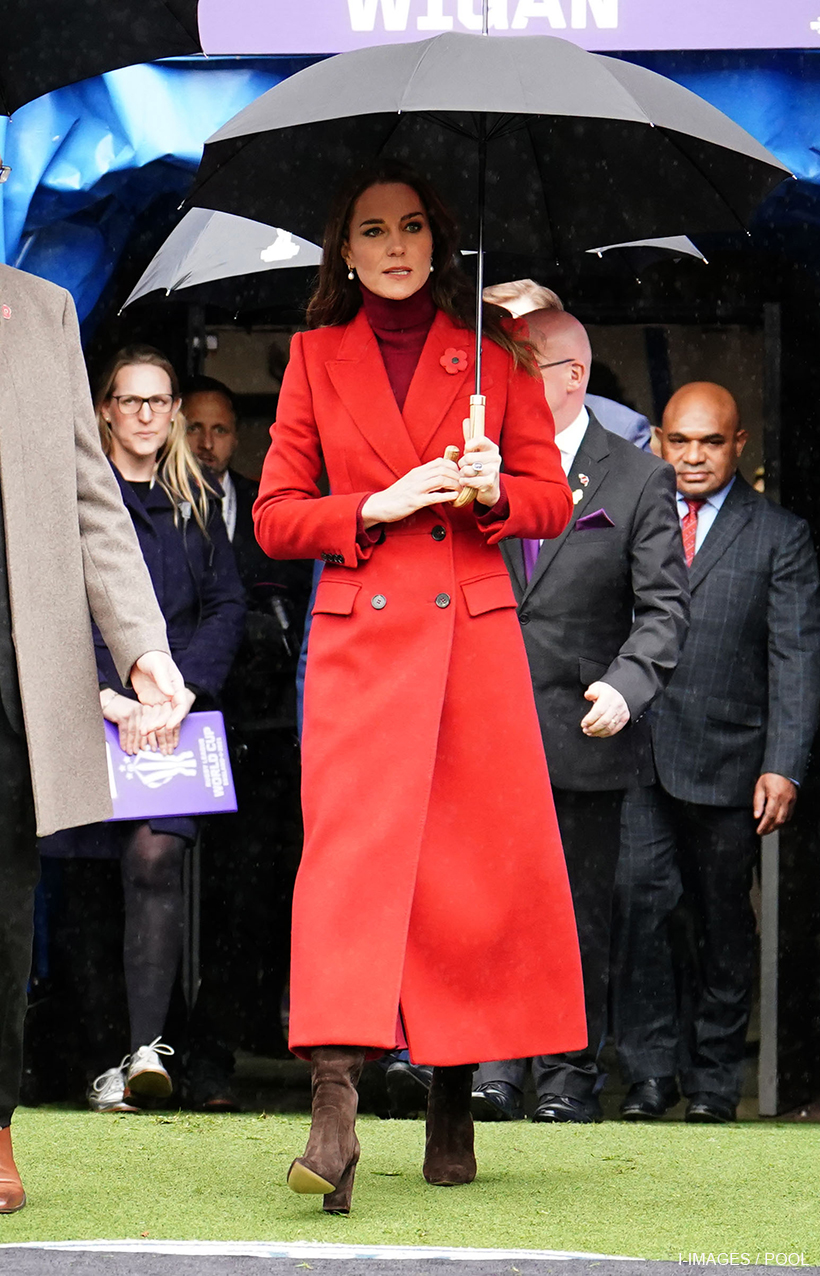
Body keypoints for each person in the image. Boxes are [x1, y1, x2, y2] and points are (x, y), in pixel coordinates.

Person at [252, 159, 586, 1213]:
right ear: (344, 253)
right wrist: (380, 499)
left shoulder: (496, 356)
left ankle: (452, 1093)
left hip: (470, 646)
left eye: (410, 229)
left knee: (464, 872)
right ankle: (334, 1110)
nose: (394, 247)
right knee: (344, 869)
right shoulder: (311, 358)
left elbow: (549, 502)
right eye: (371, 230)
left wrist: (493, 490)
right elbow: (272, 517)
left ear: (437, 245)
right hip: (359, 644)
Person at [0, 263, 187, 1212]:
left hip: (14, 660)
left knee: (1, 911)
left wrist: (143, 649)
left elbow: (91, 502)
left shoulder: (42, 313)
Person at [472, 309, 689, 1123]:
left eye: (519, 365)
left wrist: (628, 685)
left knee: (576, 911)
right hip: (486, 725)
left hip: (584, 724)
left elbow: (664, 608)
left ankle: (567, 1076)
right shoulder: (477, 470)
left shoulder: (635, 478)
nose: (502, 381)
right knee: (487, 903)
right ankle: (489, 1068)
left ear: (572, 376)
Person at [40, 346, 245, 1115]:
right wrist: (107, 694)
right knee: (86, 887)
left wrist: (181, 692)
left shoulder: (195, 500)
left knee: (156, 860)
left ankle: (148, 1048)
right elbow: (55, 607)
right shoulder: (74, 499)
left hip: (173, 724)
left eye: (162, 403)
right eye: (133, 402)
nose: (150, 416)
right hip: (87, 714)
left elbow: (227, 605)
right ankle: (101, 1060)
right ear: (105, 409)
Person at [612, 382, 820, 1124]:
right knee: (639, 905)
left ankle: (711, 1084)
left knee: (722, 920)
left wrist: (784, 762)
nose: (692, 456)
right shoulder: (633, 514)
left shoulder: (779, 534)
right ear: (659, 442)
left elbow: (794, 658)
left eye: (709, 442)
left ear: (739, 446)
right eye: (679, 441)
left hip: (731, 762)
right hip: (634, 755)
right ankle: (646, 1076)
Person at [180, 375, 310, 1109]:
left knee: (248, 892)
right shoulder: (150, 506)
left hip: (259, 734)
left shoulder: (266, 506)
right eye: (194, 428)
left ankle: (220, 1046)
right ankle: (159, 1041)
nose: (207, 443)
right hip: (176, 718)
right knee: (159, 886)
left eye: (221, 429)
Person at [482, 278, 652, 450]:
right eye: (491, 333)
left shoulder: (619, 428)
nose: (510, 344)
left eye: (527, 326)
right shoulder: (467, 421)